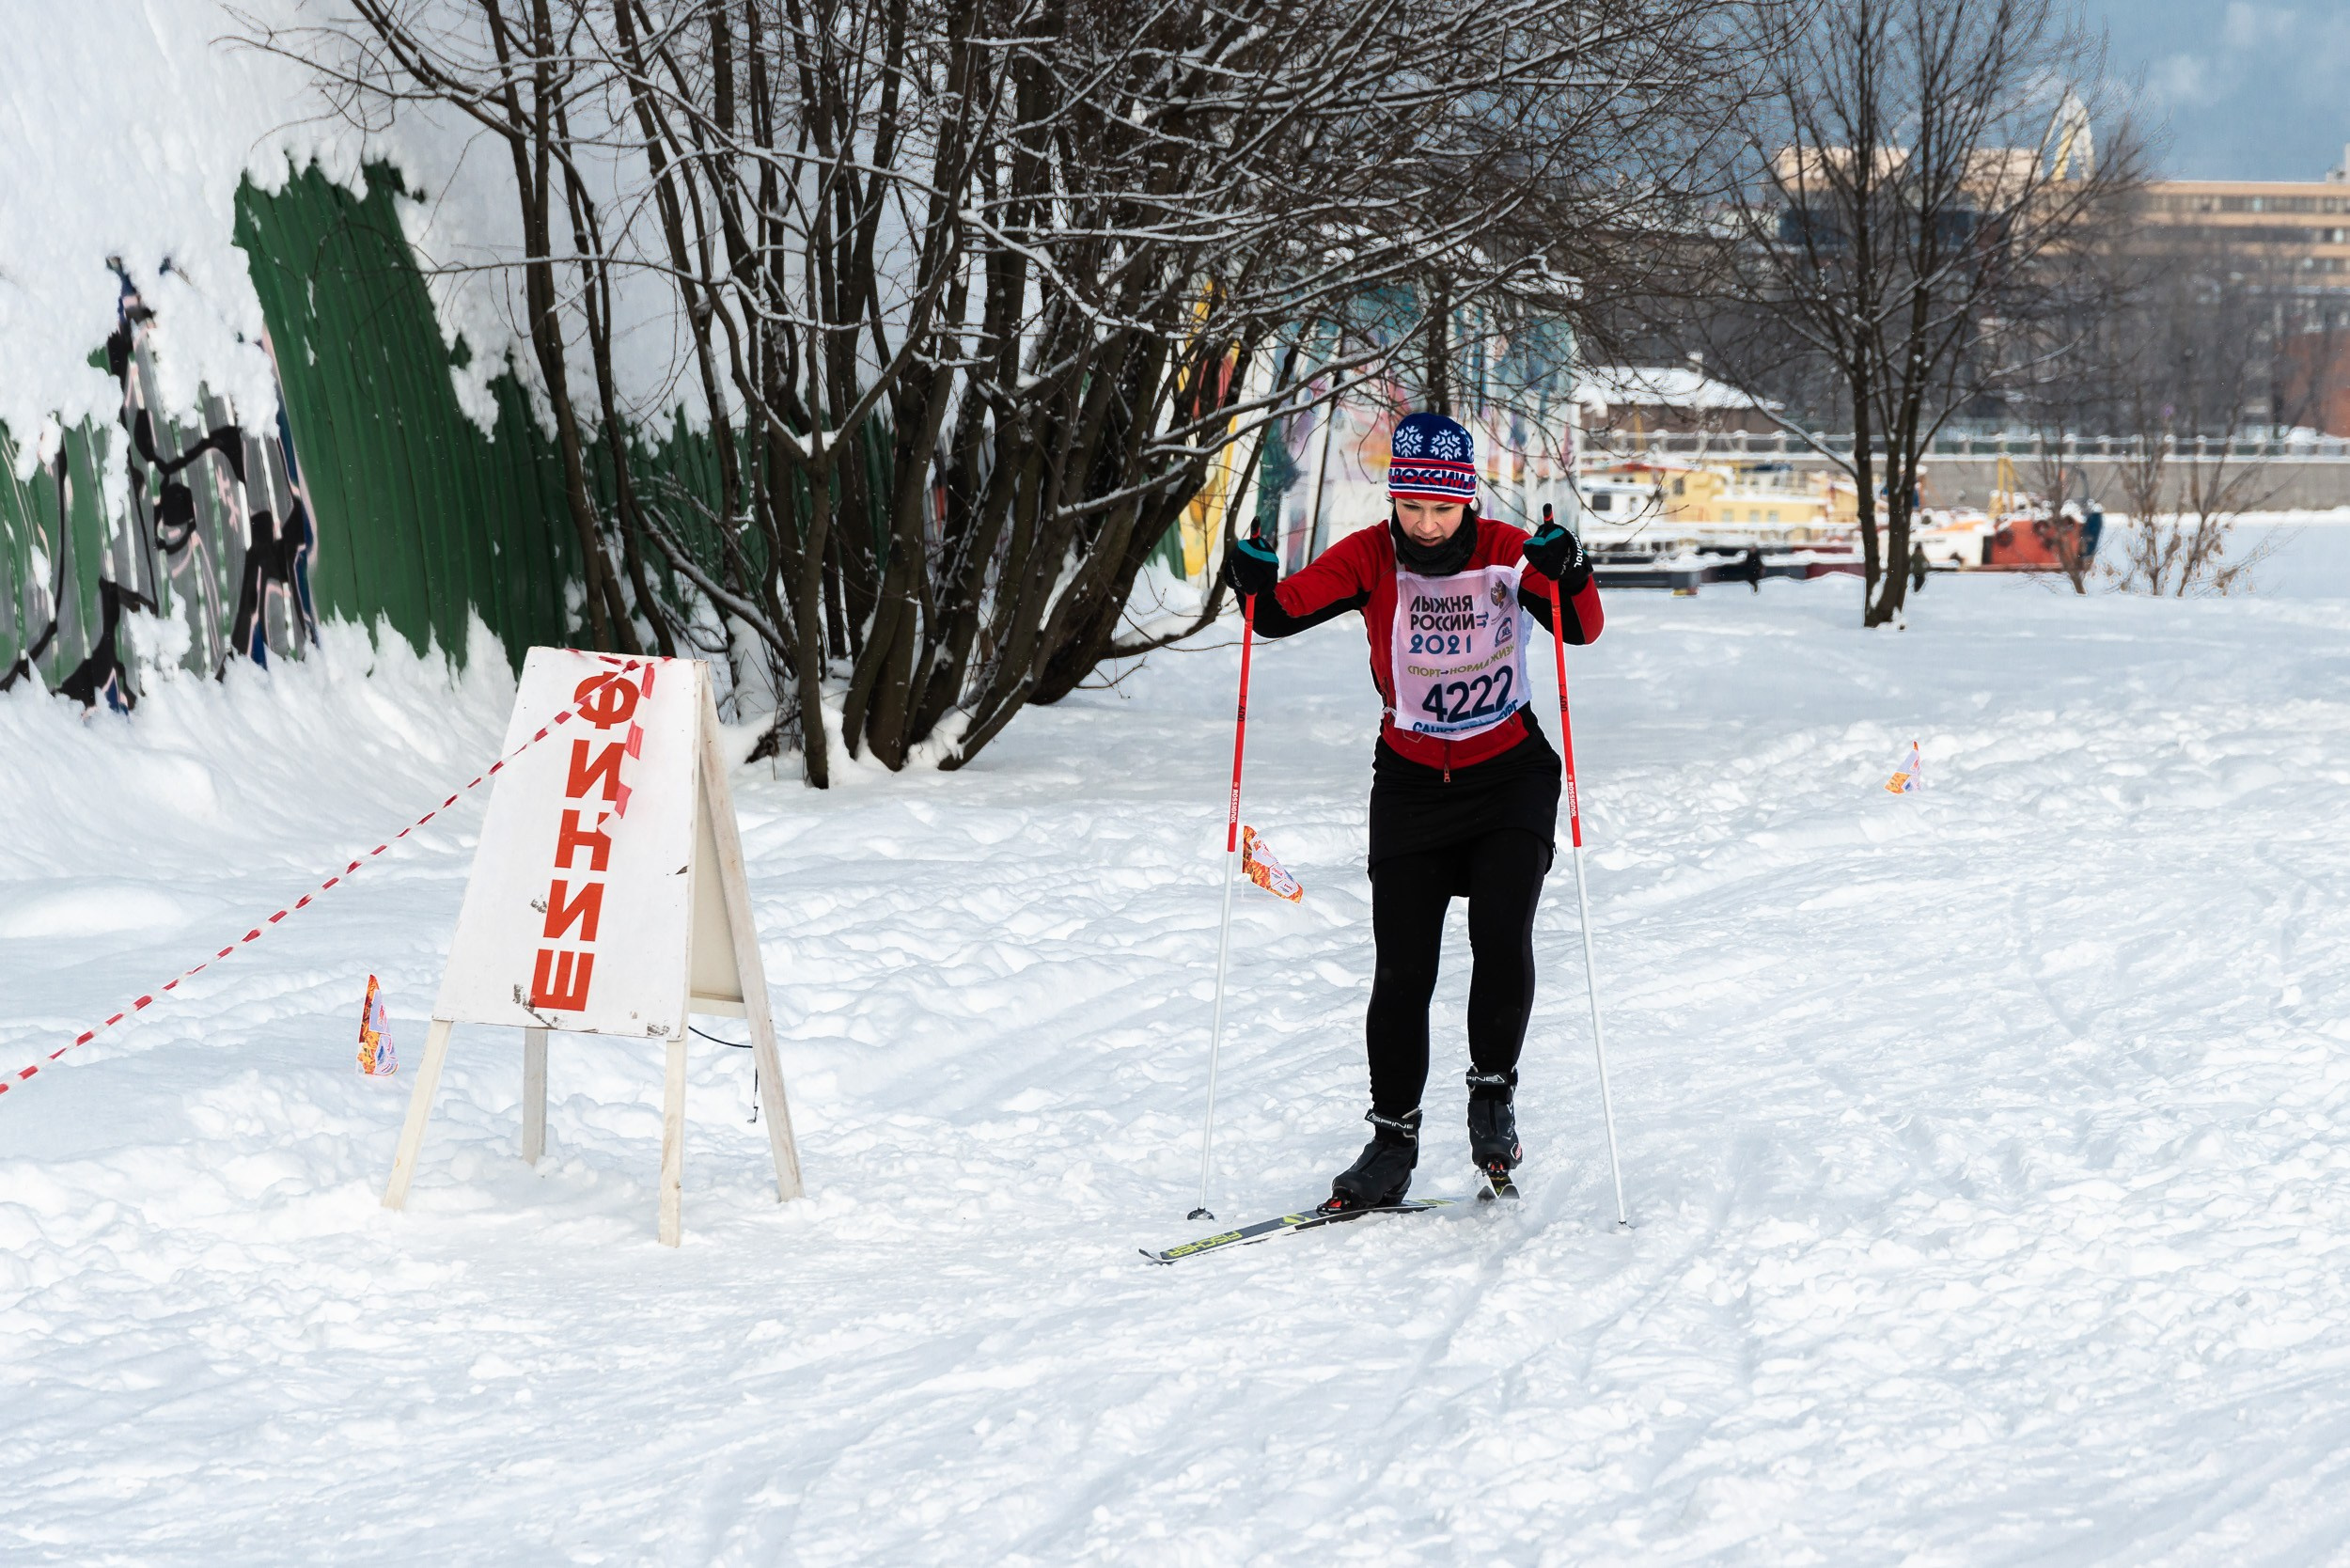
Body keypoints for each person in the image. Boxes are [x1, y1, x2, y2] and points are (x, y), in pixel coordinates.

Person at [1223, 412, 1605, 1211]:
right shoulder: (1370, 555)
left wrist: (1569, 571)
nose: (1427, 526)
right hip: (1409, 780)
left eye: (1443, 509)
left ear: (1467, 502)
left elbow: (1582, 627)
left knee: (1501, 932)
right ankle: (1392, 1141)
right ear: (1394, 499)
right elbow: (1280, 611)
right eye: (1412, 507)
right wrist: (1251, 579)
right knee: (1403, 969)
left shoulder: (1507, 550)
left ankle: (1491, 1095)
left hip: (1509, 773)